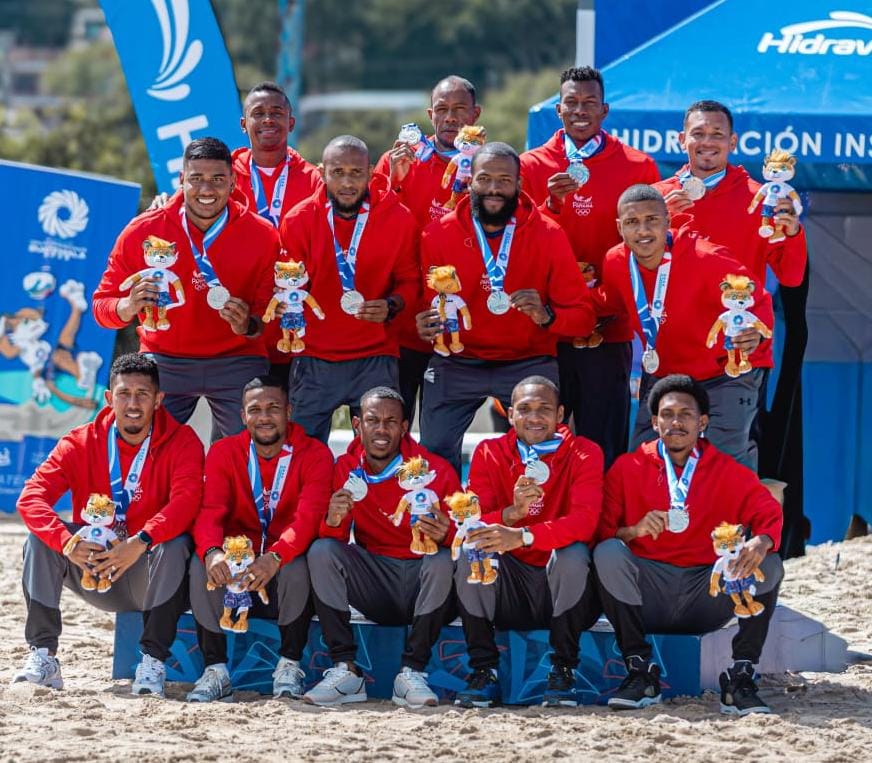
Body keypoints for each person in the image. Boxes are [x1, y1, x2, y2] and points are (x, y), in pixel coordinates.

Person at [13, 353, 204, 697]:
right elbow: (30, 498)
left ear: (159, 399)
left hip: (145, 573)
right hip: (91, 568)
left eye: (143, 394)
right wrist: (68, 544)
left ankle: (152, 660)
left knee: (176, 544)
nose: (133, 403)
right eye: (124, 393)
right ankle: (43, 655)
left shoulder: (183, 441)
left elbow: (187, 502)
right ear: (108, 397)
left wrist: (141, 540)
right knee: (40, 539)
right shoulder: (80, 441)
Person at [594, 374, 784, 715]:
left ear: (703, 423)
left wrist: (762, 539)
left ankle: (740, 677)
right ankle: (640, 672)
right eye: (667, 414)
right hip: (647, 591)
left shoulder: (729, 471)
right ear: (654, 422)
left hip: (705, 593)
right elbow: (602, 534)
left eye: (686, 414)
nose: (676, 422)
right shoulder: (627, 467)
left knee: (768, 562)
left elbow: (768, 510)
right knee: (607, 553)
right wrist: (633, 531)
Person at [417, 142, 595, 474]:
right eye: (485, 179)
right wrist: (422, 324)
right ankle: (446, 523)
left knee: (543, 455)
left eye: (504, 180)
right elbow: (420, 305)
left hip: (526, 361)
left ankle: (533, 522)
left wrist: (547, 315)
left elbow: (583, 319)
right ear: (470, 181)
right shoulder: (436, 235)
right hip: (456, 361)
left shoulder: (548, 234)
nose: (494, 189)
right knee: (434, 458)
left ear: (520, 185)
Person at [93, 137, 279, 440]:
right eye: (196, 179)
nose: (207, 190)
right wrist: (126, 306)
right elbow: (102, 307)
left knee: (255, 446)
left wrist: (250, 324)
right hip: (165, 359)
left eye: (218, 179)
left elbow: (271, 316)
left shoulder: (262, 235)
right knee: (139, 442)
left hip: (237, 359)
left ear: (233, 183)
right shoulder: (142, 231)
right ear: (182, 180)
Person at [520, 66, 660, 469]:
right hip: (547, 328)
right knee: (541, 442)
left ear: (605, 110)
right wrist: (552, 206)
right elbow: (516, 244)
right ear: (558, 110)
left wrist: (601, 304)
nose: (580, 110)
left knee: (604, 444)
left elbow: (644, 249)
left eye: (590, 103)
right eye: (572, 103)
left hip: (607, 327)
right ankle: (547, 526)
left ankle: (603, 531)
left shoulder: (638, 166)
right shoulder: (531, 166)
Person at [598, 185, 774, 470]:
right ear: (620, 227)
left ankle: (739, 515)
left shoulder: (706, 257)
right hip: (665, 377)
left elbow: (757, 298)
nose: (643, 231)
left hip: (722, 373)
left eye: (652, 220)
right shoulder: (616, 262)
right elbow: (609, 302)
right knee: (640, 464)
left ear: (668, 220)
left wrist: (754, 331)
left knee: (724, 465)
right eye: (632, 222)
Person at [304, 387, 460, 708]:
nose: (381, 429)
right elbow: (332, 540)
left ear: (404, 428)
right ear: (357, 425)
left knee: (442, 558)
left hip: (424, 579)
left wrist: (448, 533)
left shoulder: (435, 469)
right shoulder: (345, 468)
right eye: (372, 420)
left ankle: (412, 672)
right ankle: (345, 669)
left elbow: (467, 539)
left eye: (391, 422)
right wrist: (333, 520)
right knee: (322, 551)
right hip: (375, 578)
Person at [452, 376, 603, 708]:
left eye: (544, 409)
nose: (535, 417)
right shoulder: (489, 451)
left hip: (559, 585)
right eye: (525, 409)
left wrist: (523, 536)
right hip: (509, 585)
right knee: (472, 549)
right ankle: (484, 669)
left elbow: (585, 522)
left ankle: (563, 668)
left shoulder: (584, 452)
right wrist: (512, 514)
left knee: (574, 554)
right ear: (509, 415)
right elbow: (471, 522)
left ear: (560, 414)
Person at [186, 375, 332, 702]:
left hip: (282, 570)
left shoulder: (315, 454)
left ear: (289, 411)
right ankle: (216, 670)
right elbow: (210, 511)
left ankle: (289, 664)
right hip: (239, 570)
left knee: (298, 563)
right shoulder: (224, 452)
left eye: (273, 408)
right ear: (243, 417)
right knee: (201, 565)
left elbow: (308, 519)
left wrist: (276, 556)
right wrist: (212, 552)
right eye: (255, 409)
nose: (264, 417)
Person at [278, 135, 419, 443]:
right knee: (303, 454)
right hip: (314, 357)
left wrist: (391, 305)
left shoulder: (398, 218)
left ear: (370, 173)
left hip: (376, 356)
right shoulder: (298, 220)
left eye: (356, 173)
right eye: (337, 172)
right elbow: (288, 288)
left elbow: (411, 281)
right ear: (321, 172)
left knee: (381, 453)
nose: (347, 182)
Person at [374, 76, 483, 421]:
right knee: (393, 423)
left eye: (459, 110)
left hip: (455, 324)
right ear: (429, 113)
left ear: (476, 114)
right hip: (402, 321)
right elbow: (370, 226)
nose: (450, 118)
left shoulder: (486, 168)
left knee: (440, 435)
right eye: (442, 109)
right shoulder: (399, 159)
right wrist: (395, 181)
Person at [232, 81, 322, 386]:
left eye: (276, 112)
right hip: (241, 334)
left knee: (291, 424)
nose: (268, 119)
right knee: (239, 427)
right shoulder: (224, 175)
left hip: (295, 332)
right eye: (259, 113)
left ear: (290, 122)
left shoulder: (314, 180)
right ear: (244, 124)